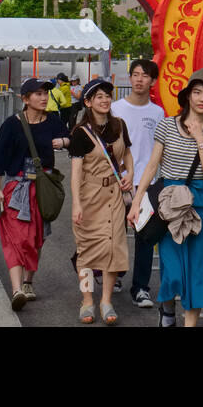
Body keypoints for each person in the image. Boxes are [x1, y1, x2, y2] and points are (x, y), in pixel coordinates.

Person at [129, 68, 203, 327]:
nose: (202, 98)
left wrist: (200, 137)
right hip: (168, 203)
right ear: (187, 96)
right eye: (197, 92)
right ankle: (167, 309)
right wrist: (137, 202)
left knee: (197, 272)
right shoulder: (166, 125)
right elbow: (152, 166)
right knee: (172, 268)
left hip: (199, 205)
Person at [0, 78, 71, 310]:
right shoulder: (12, 124)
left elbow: (72, 139)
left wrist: (63, 141)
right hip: (16, 188)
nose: (44, 97)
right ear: (25, 99)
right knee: (16, 238)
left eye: (45, 93)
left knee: (36, 238)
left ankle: (28, 282)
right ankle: (16, 290)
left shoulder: (53, 121)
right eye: (37, 94)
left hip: (43, 188)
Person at [69, 78, 133, 324]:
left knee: (113, 247)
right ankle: (87, 300)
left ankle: (106, 300)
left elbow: (127, 153)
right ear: (88, 102)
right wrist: (77, 204)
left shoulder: (119, 125)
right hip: (89, 196)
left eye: (107, 95)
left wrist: (130, 175)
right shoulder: (80, 133)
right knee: (86, 249)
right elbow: (76, 173)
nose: (105, 100)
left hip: (114, 196)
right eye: (99, 97)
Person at [112, 58, 164, 309]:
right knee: (115, 233)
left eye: (145, 75)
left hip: (147, 183)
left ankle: (141, 288)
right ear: (129, 78)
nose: (139, 79)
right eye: (135, 74)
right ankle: (117, 275)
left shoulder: (158, 113)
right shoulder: (115, 108)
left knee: (144, 237)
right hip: (118, 181)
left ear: (153, 81)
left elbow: (157, 149)